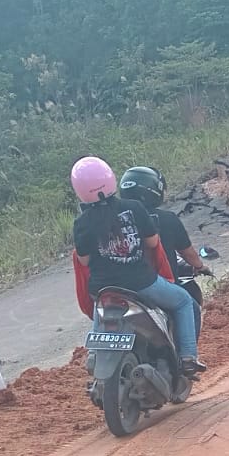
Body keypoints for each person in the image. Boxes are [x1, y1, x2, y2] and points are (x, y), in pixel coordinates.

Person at [70, 156, 206, 375]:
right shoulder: (133, 208)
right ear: (110, 179)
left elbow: (84, 260)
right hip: (142, 284)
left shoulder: (82, 223)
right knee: (183, 301)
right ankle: (188, 357)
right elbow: (153, 242)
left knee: (101, 311)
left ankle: (94, 354)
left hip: (103, 290)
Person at [119, 166, 212, 306]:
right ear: (153, 191)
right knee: (188, 305)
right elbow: (187, 253)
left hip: (121, 288)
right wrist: (200, 267)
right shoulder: (167, 219)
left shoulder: (115, 221)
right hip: (158, 285)